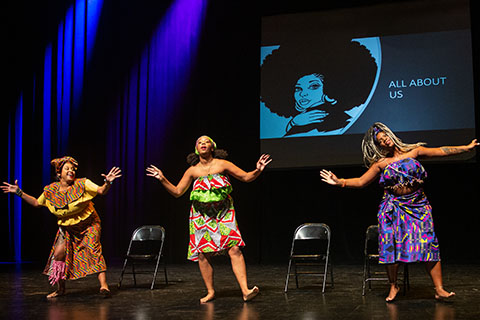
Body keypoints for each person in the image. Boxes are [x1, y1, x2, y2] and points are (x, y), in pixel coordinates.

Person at [320, 122, 478, 302]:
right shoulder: (381, 164)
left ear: (391, 135)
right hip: (392, 208)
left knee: (429, 244)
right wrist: (339, 181)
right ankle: (394, 285)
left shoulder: (414, 152)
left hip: (418, 206)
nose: (385, 141)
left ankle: (439, 288)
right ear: (378, 145)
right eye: (380, 141)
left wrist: (466, 148)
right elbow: (362, 181)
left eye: (385, 137)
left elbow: (441, 150)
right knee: (390, 246)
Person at [146, 136, 271, 303]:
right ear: (196, 149)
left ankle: (245, 290)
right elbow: (177, 192)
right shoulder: (192, 171)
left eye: (206, 141)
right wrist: (162, 179)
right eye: (200, 142)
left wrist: (258, 170)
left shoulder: (222, 164)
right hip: (201, 216)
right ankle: (210, 291)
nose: (203, 143)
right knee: (203, 254)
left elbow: (246, 177)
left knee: (234, 249)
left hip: (224, 213)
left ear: (212, 147)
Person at [2, 156, 122, 298]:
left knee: (93, 249)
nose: (71, 171)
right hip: (67, 228)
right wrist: (19, 192)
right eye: (67, 168)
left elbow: (102, 190)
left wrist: (107, 182)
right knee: (58, 254)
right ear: (59, 173)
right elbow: (36, 203)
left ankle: (104, 286)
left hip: (89, 224)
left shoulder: (83, 183)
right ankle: (61, 289)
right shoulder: (50, 190)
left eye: (72, 169)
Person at [261, 39, 377, 136]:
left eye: (313, 86)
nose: (303, 94)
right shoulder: (300, 122)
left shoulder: (340, 122)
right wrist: (293, 123)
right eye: (298, 89)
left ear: (331, 89)